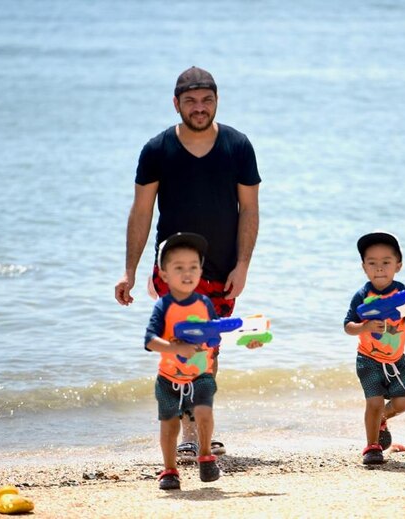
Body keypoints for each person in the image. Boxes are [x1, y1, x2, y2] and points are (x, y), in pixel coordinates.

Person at [115, 66, 261, 461]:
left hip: (221, 268)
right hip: (173, 271)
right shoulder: (156, 150)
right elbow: (141, 212)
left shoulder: (238, 146)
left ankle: (199, 426)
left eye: (207, 100)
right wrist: (130, 270)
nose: (200, 108)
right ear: (176, 103)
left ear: (217, 101)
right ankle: (189, 429)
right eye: (191, 101)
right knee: (178, 347)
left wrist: (243, 264)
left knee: (209, 348)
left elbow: (249, 209)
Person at [144, 232, 262, 491]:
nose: (187, 274)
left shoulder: (206, 304)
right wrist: (176, 346)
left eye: (193, 267)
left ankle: (206, 457)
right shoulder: (164, 307)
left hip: (200, 374)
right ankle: (170, 469)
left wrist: (249, 340)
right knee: (169, 424)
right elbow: (150, 341)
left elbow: (214, 336)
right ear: (163, 275)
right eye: (179, 268)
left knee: (204, 414)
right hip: (169, 376)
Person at [343, 231, 405, 465]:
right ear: (364, 267)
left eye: (386, 262)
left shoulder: (404, 294)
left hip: (396, 359)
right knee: (374, 402)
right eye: (372, 263)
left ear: (398, 266)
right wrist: (365, 326)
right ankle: (372, 447)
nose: (379, 268)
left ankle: (382, 419)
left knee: (402, 404)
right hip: (368, 358)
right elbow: (347, 326)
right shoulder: (361, 295)